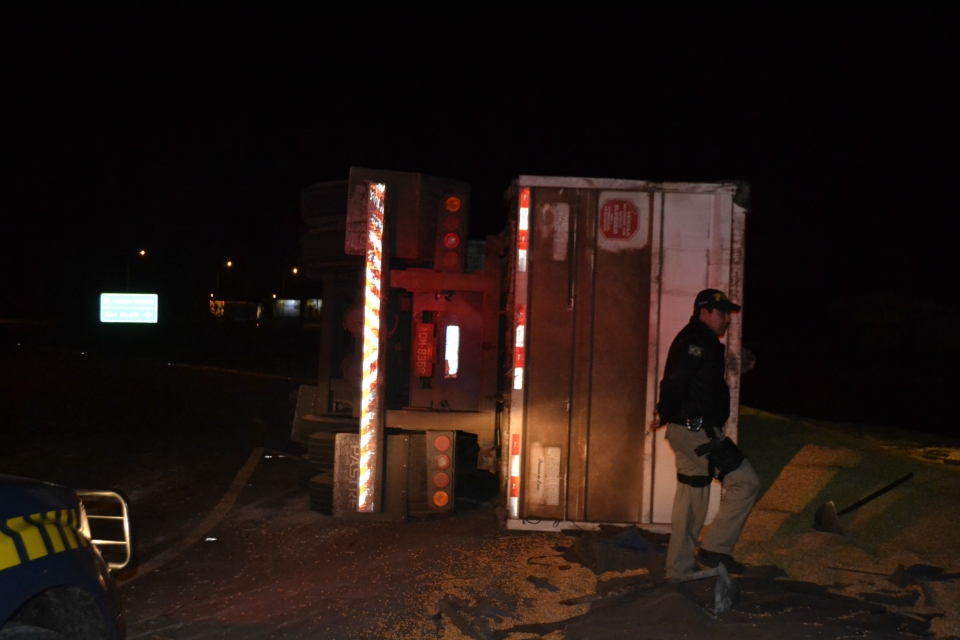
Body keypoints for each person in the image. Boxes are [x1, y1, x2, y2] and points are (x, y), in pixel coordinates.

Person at [652, 288, 760, 581]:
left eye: (729, 313)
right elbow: (675, 379)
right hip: (695, 433)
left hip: (689, 431)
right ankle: (714, 549)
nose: (727, 318)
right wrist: (666, 411)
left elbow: (693, 377)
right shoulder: (696, 341)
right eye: (722, 312)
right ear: (703, 312)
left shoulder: (703, 342)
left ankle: (678, 569)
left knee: (691, 498)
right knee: (745, 482)